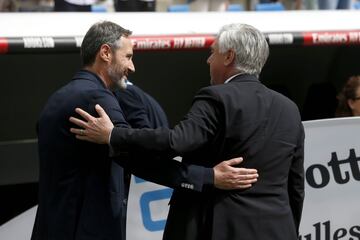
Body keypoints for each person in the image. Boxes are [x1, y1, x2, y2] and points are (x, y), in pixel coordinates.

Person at [70, 23, 305, 240]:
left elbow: (176, 141)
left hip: (221, 227)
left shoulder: (217, 97)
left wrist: (113, 135)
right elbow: (296, 187)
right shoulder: (290, 109)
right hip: (279, 229)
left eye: (213, 52)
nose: (208, 60)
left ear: (229, 56)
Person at [32, 21, 258, 240]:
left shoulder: (56, 98)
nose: (132, 67)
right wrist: (209, 177)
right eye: (128, 57)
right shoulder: (98, 98)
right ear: (105, 53)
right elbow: (139, 159)